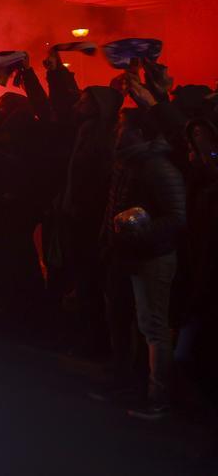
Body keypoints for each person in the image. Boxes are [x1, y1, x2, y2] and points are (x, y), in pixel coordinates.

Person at [100, 107, 186, 421]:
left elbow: (177, 217)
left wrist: (139, 231)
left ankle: (158, 398)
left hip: (153, 256)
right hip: (128, 254)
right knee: (131, 322)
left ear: (139, 133)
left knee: (154, 328)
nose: (116, 131)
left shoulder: (158, 167)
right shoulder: (129, 162)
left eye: (122, 126)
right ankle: (131, 385)